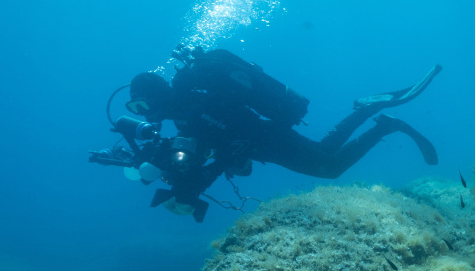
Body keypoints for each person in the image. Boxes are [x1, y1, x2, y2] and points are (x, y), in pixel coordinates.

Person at [91, 47, 440, 221]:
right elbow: (210, 148)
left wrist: (204, 172)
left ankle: (383, 122)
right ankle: (367, 108)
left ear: (153, 96)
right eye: (135, 111)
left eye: (141, 106)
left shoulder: (191, 105)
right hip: (265, 139)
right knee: (326, 149)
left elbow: (220, 143)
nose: (144, 114)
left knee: (329, 167)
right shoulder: (184, 109)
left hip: (265, 138)